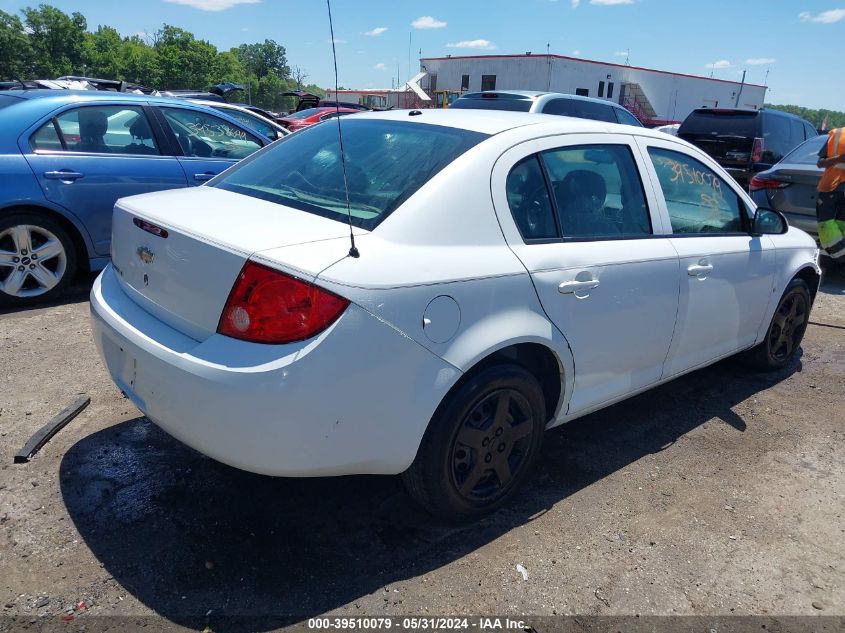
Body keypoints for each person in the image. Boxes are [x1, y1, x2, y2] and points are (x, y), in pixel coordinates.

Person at [816, 127, 845, 260]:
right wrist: (839, 158)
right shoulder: (837, 135)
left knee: (840, 227)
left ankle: (833, 261)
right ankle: (836, 259)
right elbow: (820, 163)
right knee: (826, 226)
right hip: (830, 188)